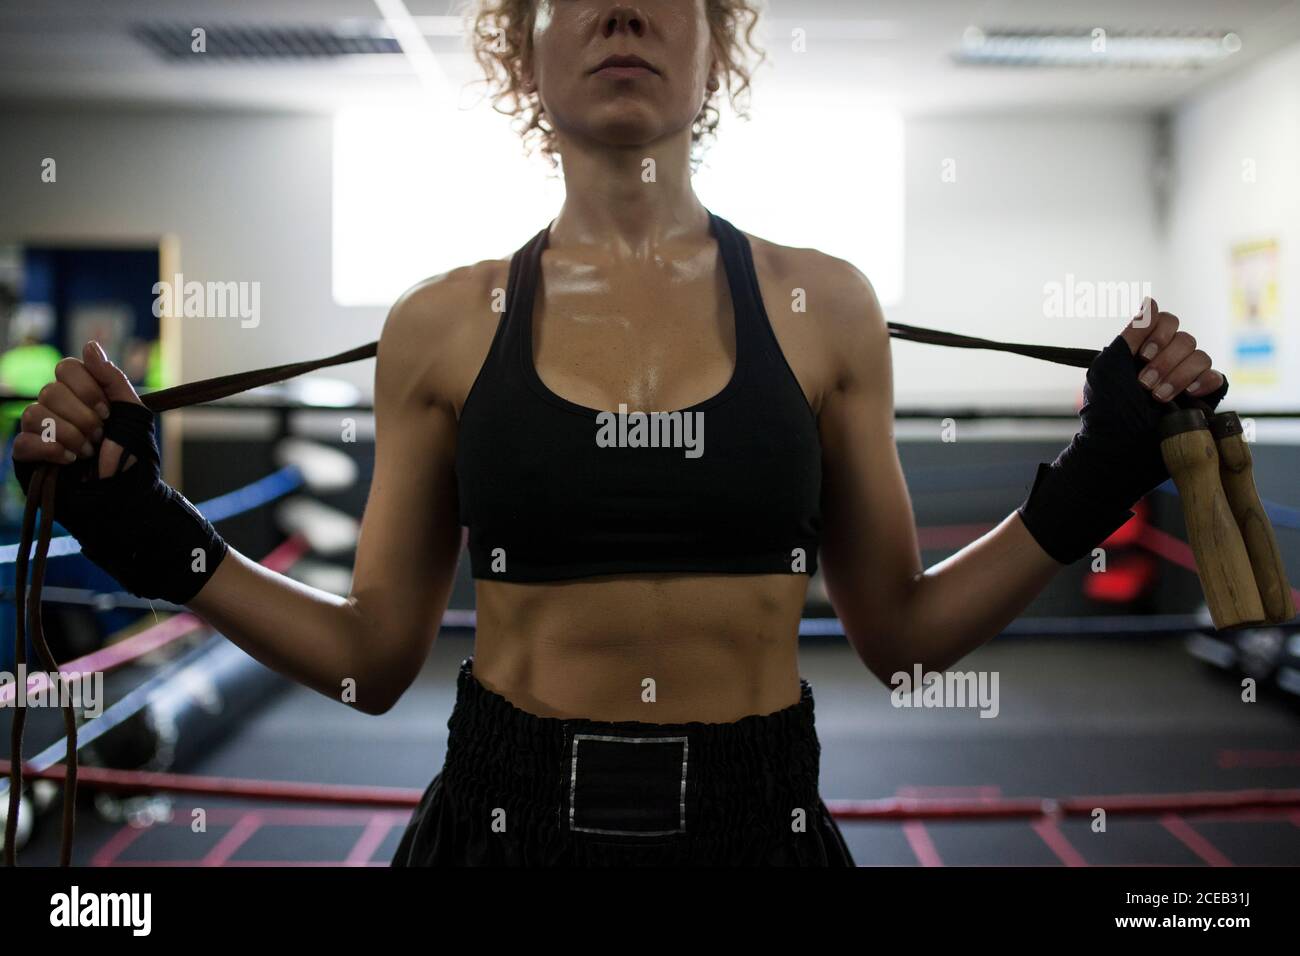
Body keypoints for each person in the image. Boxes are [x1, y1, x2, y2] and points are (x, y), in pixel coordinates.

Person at [10, 0, 1227, 866]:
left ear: (717, 43)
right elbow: (373, 661)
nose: (622, 12)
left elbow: (902, 637)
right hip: (504, 821)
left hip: (761, 826)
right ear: (521, 43)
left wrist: (1097, 475)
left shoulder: (828, 305)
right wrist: (148, 533)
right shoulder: (437, 324)